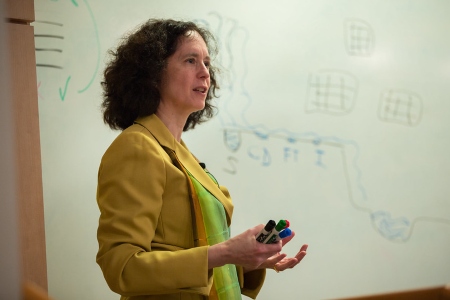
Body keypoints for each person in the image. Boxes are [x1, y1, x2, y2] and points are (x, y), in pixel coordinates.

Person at [96, 18, 308, 300]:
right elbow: (122, 267)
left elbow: (193, 253)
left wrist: (246, 259)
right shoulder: (138, 147)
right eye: (190, 60)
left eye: (207, 63)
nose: (205, 73)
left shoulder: (180, 153)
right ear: (152, 72)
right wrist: (225, 252)